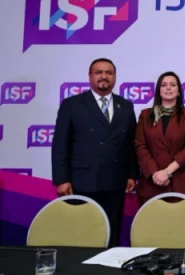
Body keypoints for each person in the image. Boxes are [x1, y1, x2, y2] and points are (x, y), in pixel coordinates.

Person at [51, 58, 138, 247]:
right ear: (90, 76)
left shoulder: (126, 106)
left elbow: (131, 144)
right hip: (82, 181)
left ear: (115, 77)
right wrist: (61, 179)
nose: (104, 76)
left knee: (111, 233)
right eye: (99, 72)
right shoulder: (72, 105)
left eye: (109, 72)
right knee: (82, 233)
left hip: (115, 182)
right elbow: (60, 145)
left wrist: (132, 174)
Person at [134, 71, 185, 206]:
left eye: (172, 85)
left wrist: (167, 172)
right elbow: (140, 146)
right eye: (164, 85)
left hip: (180, 182)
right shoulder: (145, 115)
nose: (168, 88)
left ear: (179, 91)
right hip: (152, 183)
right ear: (158, 90)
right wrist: (156, 174)